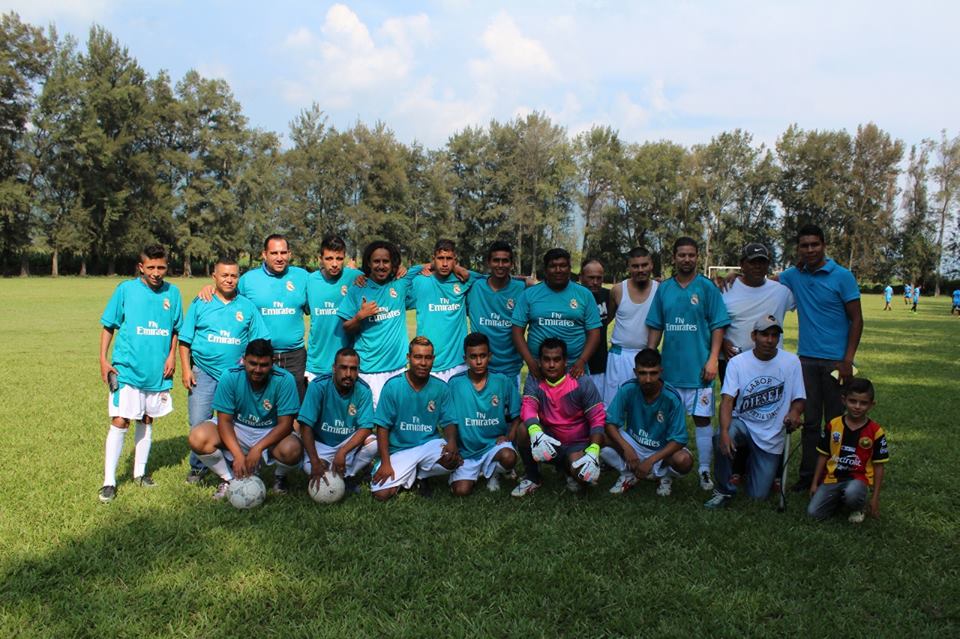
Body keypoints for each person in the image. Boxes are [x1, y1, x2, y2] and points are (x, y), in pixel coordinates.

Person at [779, 224, 863, 492]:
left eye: (815, 244)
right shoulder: (794, 275)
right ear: (798, 249)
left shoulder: (842, 276)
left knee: (837, 423)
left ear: (824, 245)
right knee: (811, 422)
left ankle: (836, 476)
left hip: (836, 364)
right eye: (804, 245)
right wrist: (731, 278)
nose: (810, 250)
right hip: (806, 361)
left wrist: (848, 359)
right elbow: (765, 279)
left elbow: (857, 320)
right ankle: (807, 477)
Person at [98, 244, 183, 502]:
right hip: (127, 368)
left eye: (161, 267)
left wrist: (171, 355)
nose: (157, 273)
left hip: (156, 370)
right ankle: (109, 481)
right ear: (141, 267)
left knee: (147, 419)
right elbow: (108, 325)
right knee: (121, 420)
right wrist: (103, 358)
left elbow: (176, 329)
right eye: (151, 268)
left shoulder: (173, 293)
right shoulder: (125, 290)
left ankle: (140, 473)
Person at [646, 237, 731, 491]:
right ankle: (665, 474)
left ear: (697, 257)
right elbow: (656, 325)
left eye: (691, 255)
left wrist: (713, 358)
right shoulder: (664, 289)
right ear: (674, 257)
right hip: (669, 372)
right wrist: (650, 356)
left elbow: (718, 325)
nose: (686, 259)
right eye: (682, 255)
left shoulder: (706, 288)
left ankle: (705, 471)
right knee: (666, 423)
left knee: (702, 421)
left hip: (699, 372)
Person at [178, 256, 270, 484]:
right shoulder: (201, 302)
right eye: (224, 275)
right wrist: (186, 370)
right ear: (214, 277)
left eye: (233, 276)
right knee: (199, 423)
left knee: (235, 424)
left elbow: (261, 340)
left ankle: (232, 465)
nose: (229, 280)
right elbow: (185, 340)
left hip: (237, 378)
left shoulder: (247, 307)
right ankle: (198, 468)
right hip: (204, 373)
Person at [703, 316, 806, 509]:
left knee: (757, 496)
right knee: (720, 437)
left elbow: (800, 398)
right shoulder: (738, 362)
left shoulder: (791, 362)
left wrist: (795, 412)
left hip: (771, 434)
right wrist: (725, 431)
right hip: (743, 424)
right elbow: (727, 400)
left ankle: (752, 467)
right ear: (753, 336)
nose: (769, 340)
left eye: (774, 335)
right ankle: (724, 490)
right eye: (764, 334)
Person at [187, 339, 303, 498]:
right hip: (238, 427)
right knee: (197, 436)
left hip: (270, 430)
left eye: (264, 365)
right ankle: (229, 479)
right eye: (252, 363)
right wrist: (238, 455)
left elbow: (286, 424)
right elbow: (224, 421)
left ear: (273, 362)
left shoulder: (284, 379)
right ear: (243, 360)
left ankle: (280, 477)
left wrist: (257, 448)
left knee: (293, 449)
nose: (257, 369)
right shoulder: (230, 376)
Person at [511, 338, 606, 497]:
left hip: (576, 443)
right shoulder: (535, 379)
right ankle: (533, 477)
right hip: (548, 440)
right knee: (523, 429)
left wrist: (594, 450)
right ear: (539, 361)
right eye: (546, 359)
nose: (551, 364)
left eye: (556, 359)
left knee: (584, 479)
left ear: (565, 361)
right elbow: (528, 406)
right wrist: (536, 432)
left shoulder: (581, 381)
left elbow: (597, 418)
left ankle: (568, 470)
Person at [370, 337, 461, 501]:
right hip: (399, 450)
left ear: (433, 359)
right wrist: (385, 463)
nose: (423, 363)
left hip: (428, 446)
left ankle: (416, 476)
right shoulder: (393, 386)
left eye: (427, 358)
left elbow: (449, 422)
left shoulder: (441, 387)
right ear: (408, 358)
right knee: (381, 494)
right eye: (418, 357)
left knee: (452, 461)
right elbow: (382, 427)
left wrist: (452, 442)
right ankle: (417, 475)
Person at [338, 241, 422, 407]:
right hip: (368, 371)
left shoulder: (400, 283)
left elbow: (429, 266)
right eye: (376, 261)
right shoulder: (357, 288)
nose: (381, 266)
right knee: (368, 424)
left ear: (393, 263)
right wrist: (360, 317)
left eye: (386, 261)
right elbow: (346, 327)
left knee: (397, 421)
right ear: (369, 263)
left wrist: (402, 268)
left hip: (397, 369)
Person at [600, 348, 692, 497]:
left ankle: (664, 476)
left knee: (684, 460)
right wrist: (626, 449)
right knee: (599, 436)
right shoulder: (628, 389)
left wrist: (651, 460)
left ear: (660, 371)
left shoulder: (671, 397)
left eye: (653, 373)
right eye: (643, 373)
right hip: (634, 442)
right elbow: (610, 423)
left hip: (661, 448)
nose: (648, 379)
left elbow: (679, 439)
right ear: (635, 372)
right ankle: (628, 474)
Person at [237, 235, 310, 399]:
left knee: (296, 410)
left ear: (289, 254)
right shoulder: (248, 280)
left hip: (295, 358)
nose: (279, 258)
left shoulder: (303, 277)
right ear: (264, 254)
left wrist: (358, 278)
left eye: (283, 253)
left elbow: (325, 291)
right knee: (261, 406)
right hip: (260, 358)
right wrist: (209, 290)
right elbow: (229, 301)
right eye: (274, 253)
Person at [447, 333, 520, 495]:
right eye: (473, 357)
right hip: (467, 452)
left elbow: (517, 414)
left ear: (490, 356)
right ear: (465, 358)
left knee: (509, 457)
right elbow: (448, 419)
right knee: (460, 491)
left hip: (494, 446)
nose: (479, 361)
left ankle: (495, 472)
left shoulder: (502, 381)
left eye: (483, 356)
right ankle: (477, 471)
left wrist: (509, 435)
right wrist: (452, 443)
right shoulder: (455, 384)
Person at [511, 248, 602, 380]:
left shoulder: (584, 295)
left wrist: (582, 361)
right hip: (540, 369)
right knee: (538, 401)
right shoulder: (529, 295)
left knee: (575, 401)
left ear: (570, 268)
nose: (558, 270)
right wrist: (530, 362)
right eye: (553, 266)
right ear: (546, 269)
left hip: (575, 369)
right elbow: (516, 331)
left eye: (563, 265)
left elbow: (594, 333)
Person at [807, 378, 888, 523]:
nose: (857, 406)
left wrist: (875, 498)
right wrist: (814, 483)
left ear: (871, 405)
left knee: (853, 493)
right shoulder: (833, 425)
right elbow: (823, 455)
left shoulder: (875, 431)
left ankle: (857, 506)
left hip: (858, 479)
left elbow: (879, 465)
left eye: (863, 403)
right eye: (853, 401)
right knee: (814, 513)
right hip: (832, 478)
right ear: (844, 400)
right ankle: (838, 498)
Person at [297, 347, 377, 493]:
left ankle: (348, 476)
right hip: (321, 443)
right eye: (344, 368)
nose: (348, 374)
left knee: (373, 444)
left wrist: (343, 451)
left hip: (347, 443)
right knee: (311, 469)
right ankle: (328, 467)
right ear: (334, 368)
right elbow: (306, 426)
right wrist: (315, 461)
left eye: (353, 369)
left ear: (358, 370)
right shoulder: (318, 386)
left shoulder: (363, 389)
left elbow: (366, 427)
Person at [720, 243, 794, 382]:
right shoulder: (725, 289)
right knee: (731, 403)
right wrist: (722, 342)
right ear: (742, 264)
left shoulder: (781, 292)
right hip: (732, 362)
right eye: (753, 262)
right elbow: (710, 323)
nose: (758, 266)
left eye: (762, 262)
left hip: (770, 363)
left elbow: (802, 275)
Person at [406, 239, 477, 382]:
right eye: (440, 258)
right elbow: (403, 279)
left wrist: (525, 280)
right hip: (428, 364)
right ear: (433, 259)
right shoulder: (421, 282)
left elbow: (491, 278)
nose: (445, 264)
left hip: (458, 364)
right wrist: (424, 266)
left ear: (455, 260)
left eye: (449, 259)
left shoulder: (462, 281)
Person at [466, 241, 528, 388]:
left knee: (510, 411)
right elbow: (455, 270)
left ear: (511, 264)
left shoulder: (522, 289)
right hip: (480, 367)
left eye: (505, 261)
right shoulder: (475, 286)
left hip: (510, 369)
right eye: (496, 260)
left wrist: (527, 280)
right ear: (489, 262)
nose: (500, 265)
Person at [604, 247, 659, 406]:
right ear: (628, 267)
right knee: (613, 406)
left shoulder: (660, 289)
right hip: (619, 356)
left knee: (643, 406)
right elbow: (606, 319)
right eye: (635, 266)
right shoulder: (617, 290)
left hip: (646, 357)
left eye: (644, 265)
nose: (640, 270)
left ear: (651, 265)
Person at [305, 235, 363, 381]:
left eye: (339, 258)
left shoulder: (356, 277)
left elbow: (382, 278)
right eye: (329, 259)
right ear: (320, 258)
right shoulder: (310, 281)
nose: (335, 264)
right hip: (316, 364)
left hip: (347, 365)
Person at [580, 259, 612, 396]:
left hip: (600, 364)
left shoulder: (607, 295)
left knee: (598, 407)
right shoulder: (573, 296)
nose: (595, 282)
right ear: (581, 278)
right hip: (577, 363)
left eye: (599, 278)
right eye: (591, 278)